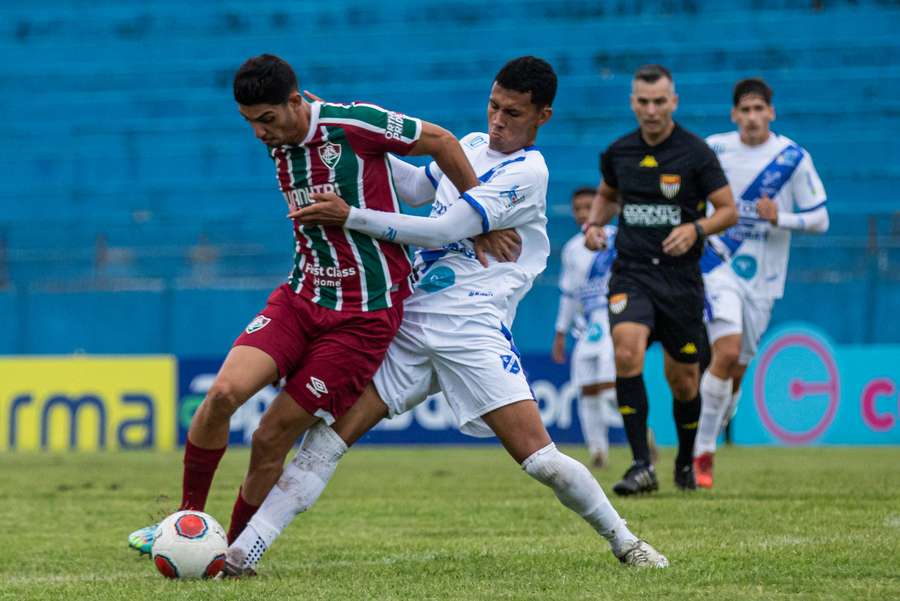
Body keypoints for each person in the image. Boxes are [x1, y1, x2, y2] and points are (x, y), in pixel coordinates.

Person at [221, 56, 669, 576]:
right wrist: (338, 124)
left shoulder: (529, 172)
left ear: (542, 115)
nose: (498, 120)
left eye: (513, 113)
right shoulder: (474, 146)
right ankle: (240, 553)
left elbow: (440, 231)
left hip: (469, 324)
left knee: (540, 460)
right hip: (411, 317)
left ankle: (626, 542)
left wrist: (352, 216)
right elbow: (413, 188)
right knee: (324, 442)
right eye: (493, 106)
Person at [128, 53, 486, 553]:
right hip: (301, 295)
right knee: (222, 396)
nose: (258, 133)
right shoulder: (283, 126)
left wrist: (481, 215)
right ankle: (187, 526)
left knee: (270, 436)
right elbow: (295, 105)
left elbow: (443, 140)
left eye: (266, 120)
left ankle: (229, 548)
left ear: (295, 103)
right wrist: (281, 116)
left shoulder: (356, 125)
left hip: (362, 318)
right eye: (249, 122)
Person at [584, 64, 738, 496]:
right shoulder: (618, 152)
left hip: (680, 280)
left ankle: (685, 461)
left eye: (659, 101)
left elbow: (727, 209)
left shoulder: (696, 153)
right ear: (633, 102)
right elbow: (608, 195)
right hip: (631, 272)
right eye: (643, 102)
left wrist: (696, 229)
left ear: (674, 101)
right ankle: (640, 465)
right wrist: (595, 225)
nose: (651, 110)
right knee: (626, 351)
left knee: (684, 379)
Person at [693, 78, 829, 488]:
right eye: (745, 110)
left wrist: (780, 218)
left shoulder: (792, 158)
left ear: (772, 112)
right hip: (717, 264)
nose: (752, 118)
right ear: (734, 114)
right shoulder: (713, 149)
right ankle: (702, 453)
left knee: (738, 364)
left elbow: (820, 219)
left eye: (759, 110)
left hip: (765, 277)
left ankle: (719, 417)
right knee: (726, 348)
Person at [553, 187, 647, 469]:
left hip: (618, 316)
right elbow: (569, 294)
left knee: (610, 390)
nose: (583, 212)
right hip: (589, 324)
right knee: (586, 388)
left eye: (588, 206)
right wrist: (560, 332)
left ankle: (643, 437)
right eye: (577, 208)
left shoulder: (620, 238)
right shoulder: (572, 249)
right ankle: (597, 451)